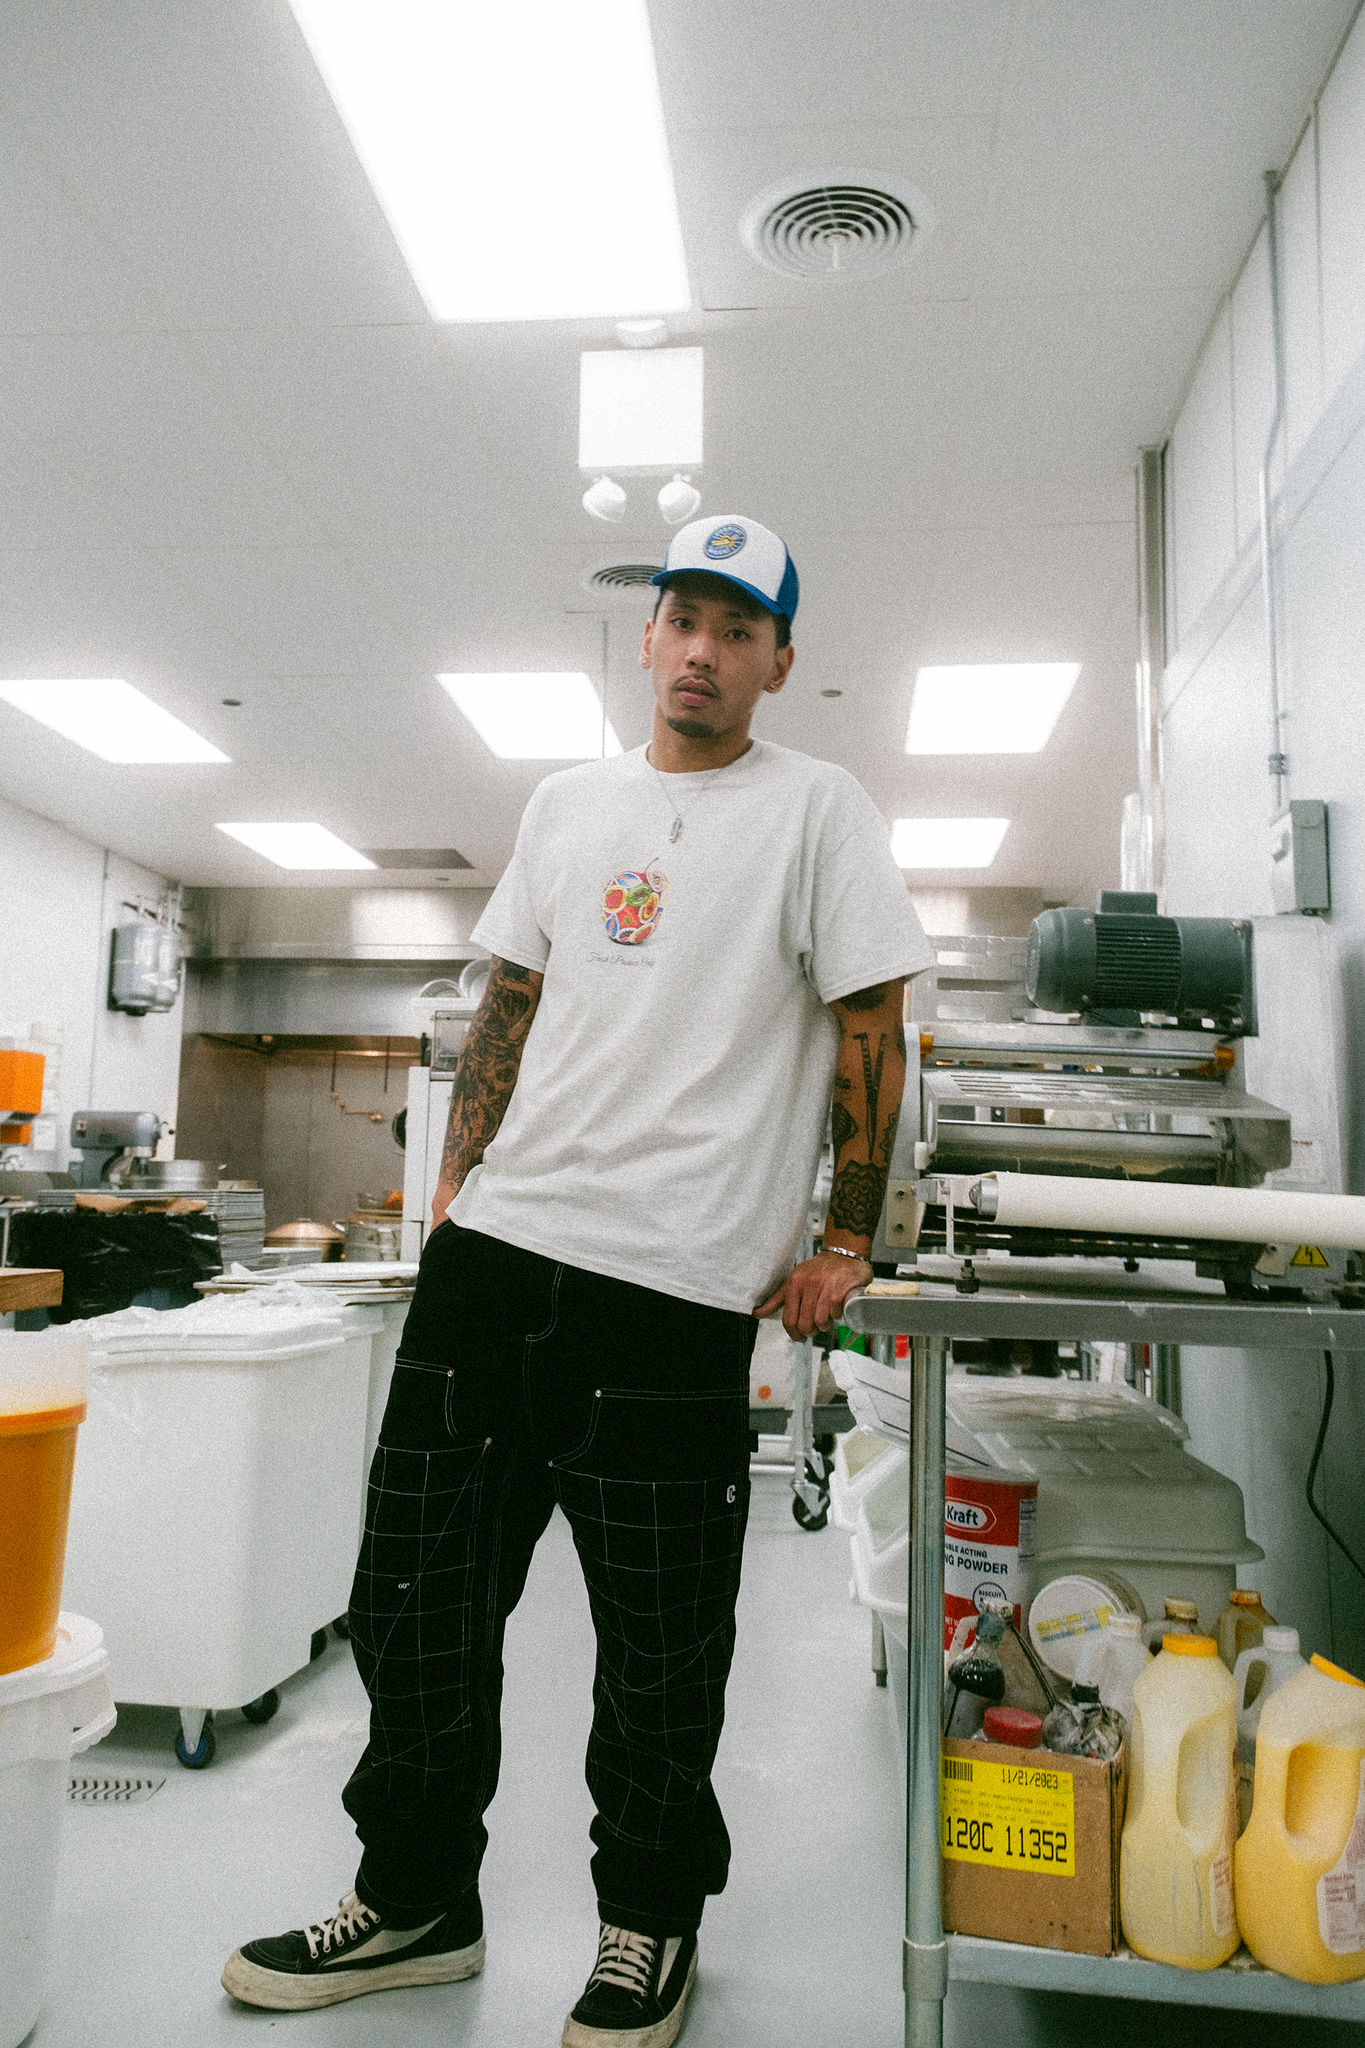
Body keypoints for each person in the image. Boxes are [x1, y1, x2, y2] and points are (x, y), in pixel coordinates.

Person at [222, 514, 933, 2046]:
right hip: (496, 1262)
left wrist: (848, 1236)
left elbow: (872, 1030)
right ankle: (414, 1897)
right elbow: (511, 1005)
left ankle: (645, 1927)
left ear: (780, 664)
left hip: (674, 1292)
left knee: (659, 1645)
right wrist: (460, 1176)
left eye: (737, 630)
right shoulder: (565, 803)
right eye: (683, 617)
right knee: (411, 1603)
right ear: (646, 636)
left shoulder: (820, 812)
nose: (701, 649)